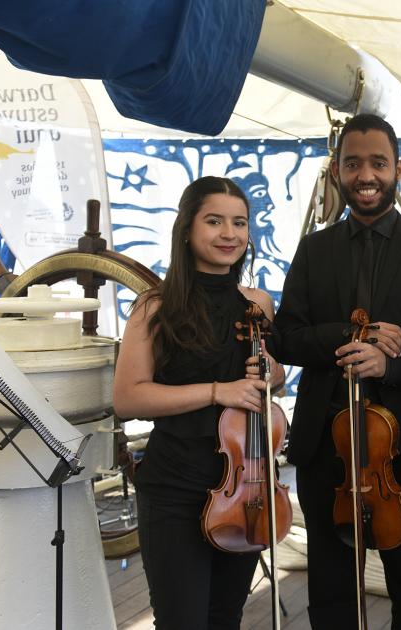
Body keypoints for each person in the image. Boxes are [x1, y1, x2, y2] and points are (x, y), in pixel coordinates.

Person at [270, 113, 401, 629]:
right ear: (337, 172)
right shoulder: (315, 249)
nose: (366, 175)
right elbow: (285, 336)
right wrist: (353, 336)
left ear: (398, 168)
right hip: (323, 447)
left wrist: (390, 361)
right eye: (353, 164)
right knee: (329, 591)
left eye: (377, 163)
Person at [113, 175, 285, 629]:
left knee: (224, 617)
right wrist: (217, 391)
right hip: (175, 489)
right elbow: (128, 397)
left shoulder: (258, 304)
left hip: (246, 489)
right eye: (214, 221)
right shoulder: (155, 307)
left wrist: (271, 373)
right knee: (181, 621)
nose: (230, 234)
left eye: (240, 223)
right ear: (187, 229)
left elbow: (273, 375)